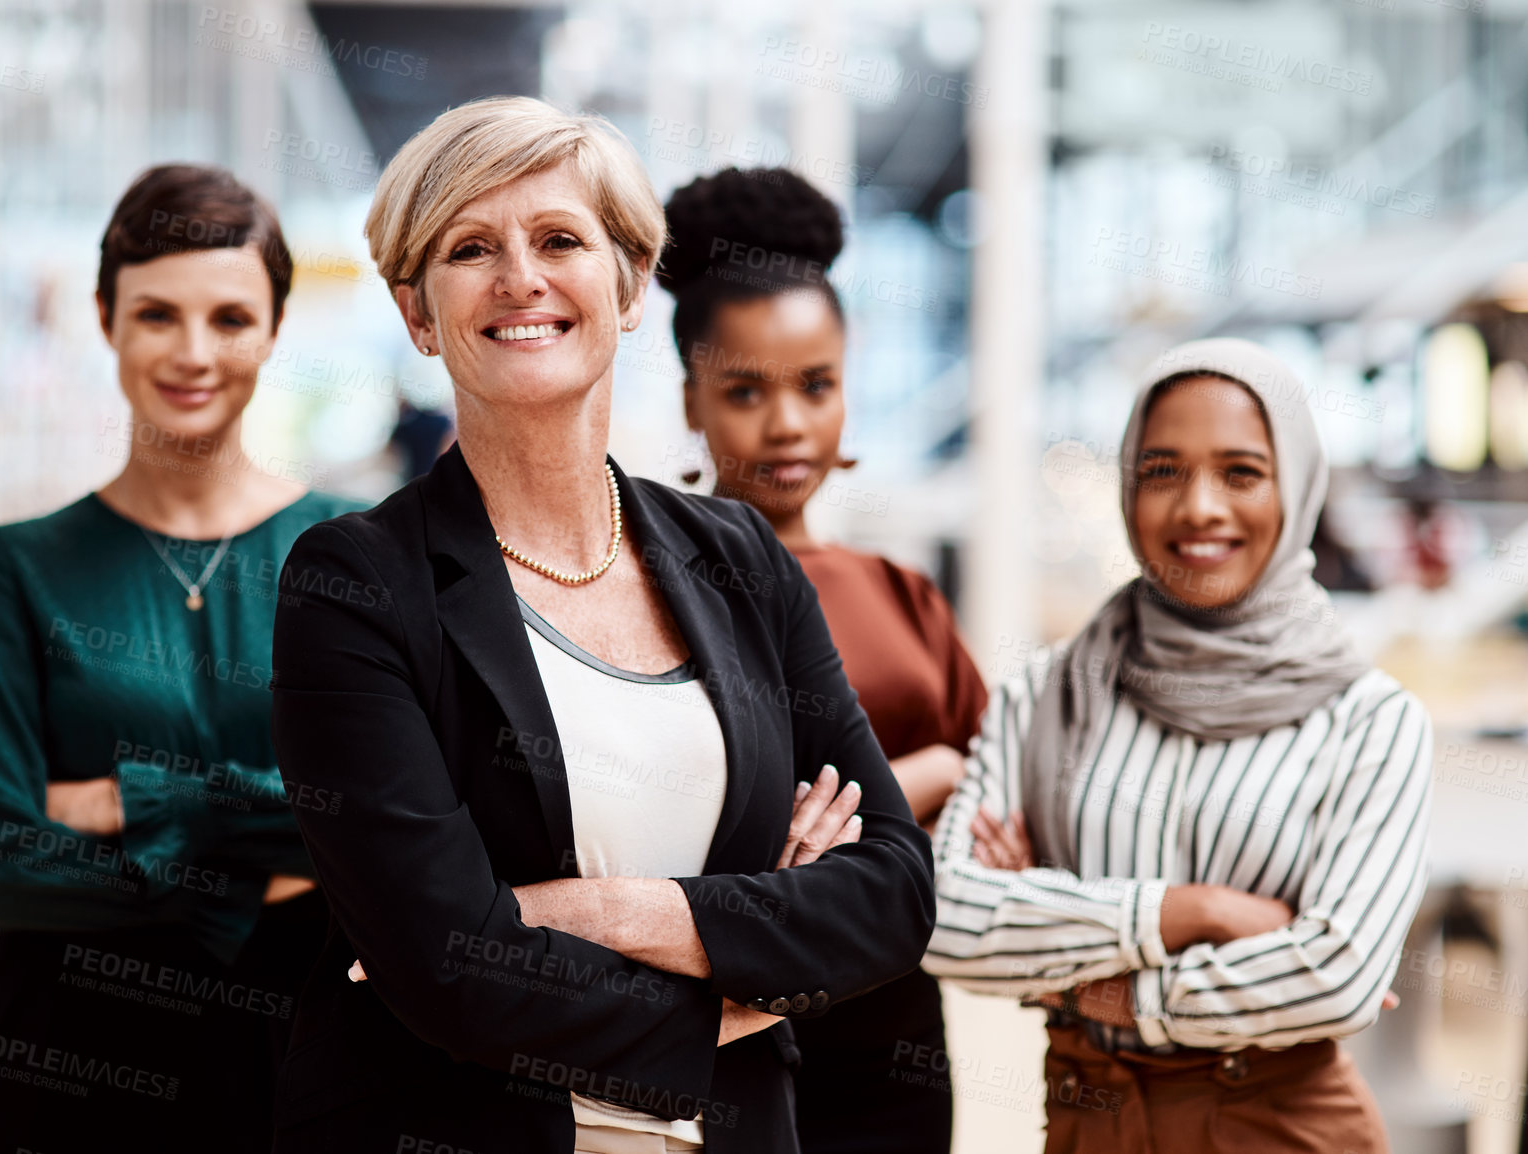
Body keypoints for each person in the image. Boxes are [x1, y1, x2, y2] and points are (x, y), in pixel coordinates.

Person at [266, 96, 934, 1154]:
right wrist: (756, 964)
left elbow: (893, 889)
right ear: (417, 314)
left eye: (561, 239)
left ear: (628, 285)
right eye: (470, 247)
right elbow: (450, 970)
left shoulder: (741, 560)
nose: (520, 277)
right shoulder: (354, 585)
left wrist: (590, 910)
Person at [0, 164, 363, 1153]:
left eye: (229, 317)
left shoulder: (352, 555)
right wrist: (263, 856)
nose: (194, 352)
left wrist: (141, 799)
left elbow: (382, 822)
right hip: (53, 1063)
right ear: (105, 317)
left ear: (275, 327)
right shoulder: (21, 566)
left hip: (291, 1063)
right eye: (157, 313)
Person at [924, 339, 1430, 1153]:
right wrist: (1197, 912)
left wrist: (1092, 980)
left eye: (1239, 472)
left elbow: (1336, 977)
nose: (1198, 506)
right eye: (1161, 470)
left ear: (1295, 485)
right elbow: (944, 918)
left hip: (1282, 1126)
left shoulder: (1367, 720)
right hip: (1088, 1121)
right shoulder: (1044, 695)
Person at [658, 165, 985, 1154]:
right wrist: (926, 778)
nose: (788, 422)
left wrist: (935, 774)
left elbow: (998, 769)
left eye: (817, 384)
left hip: (893, 1019)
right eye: (745, 390)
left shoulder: (900, 591)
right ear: (691, 400)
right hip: (723, 1008)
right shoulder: (653, 587)